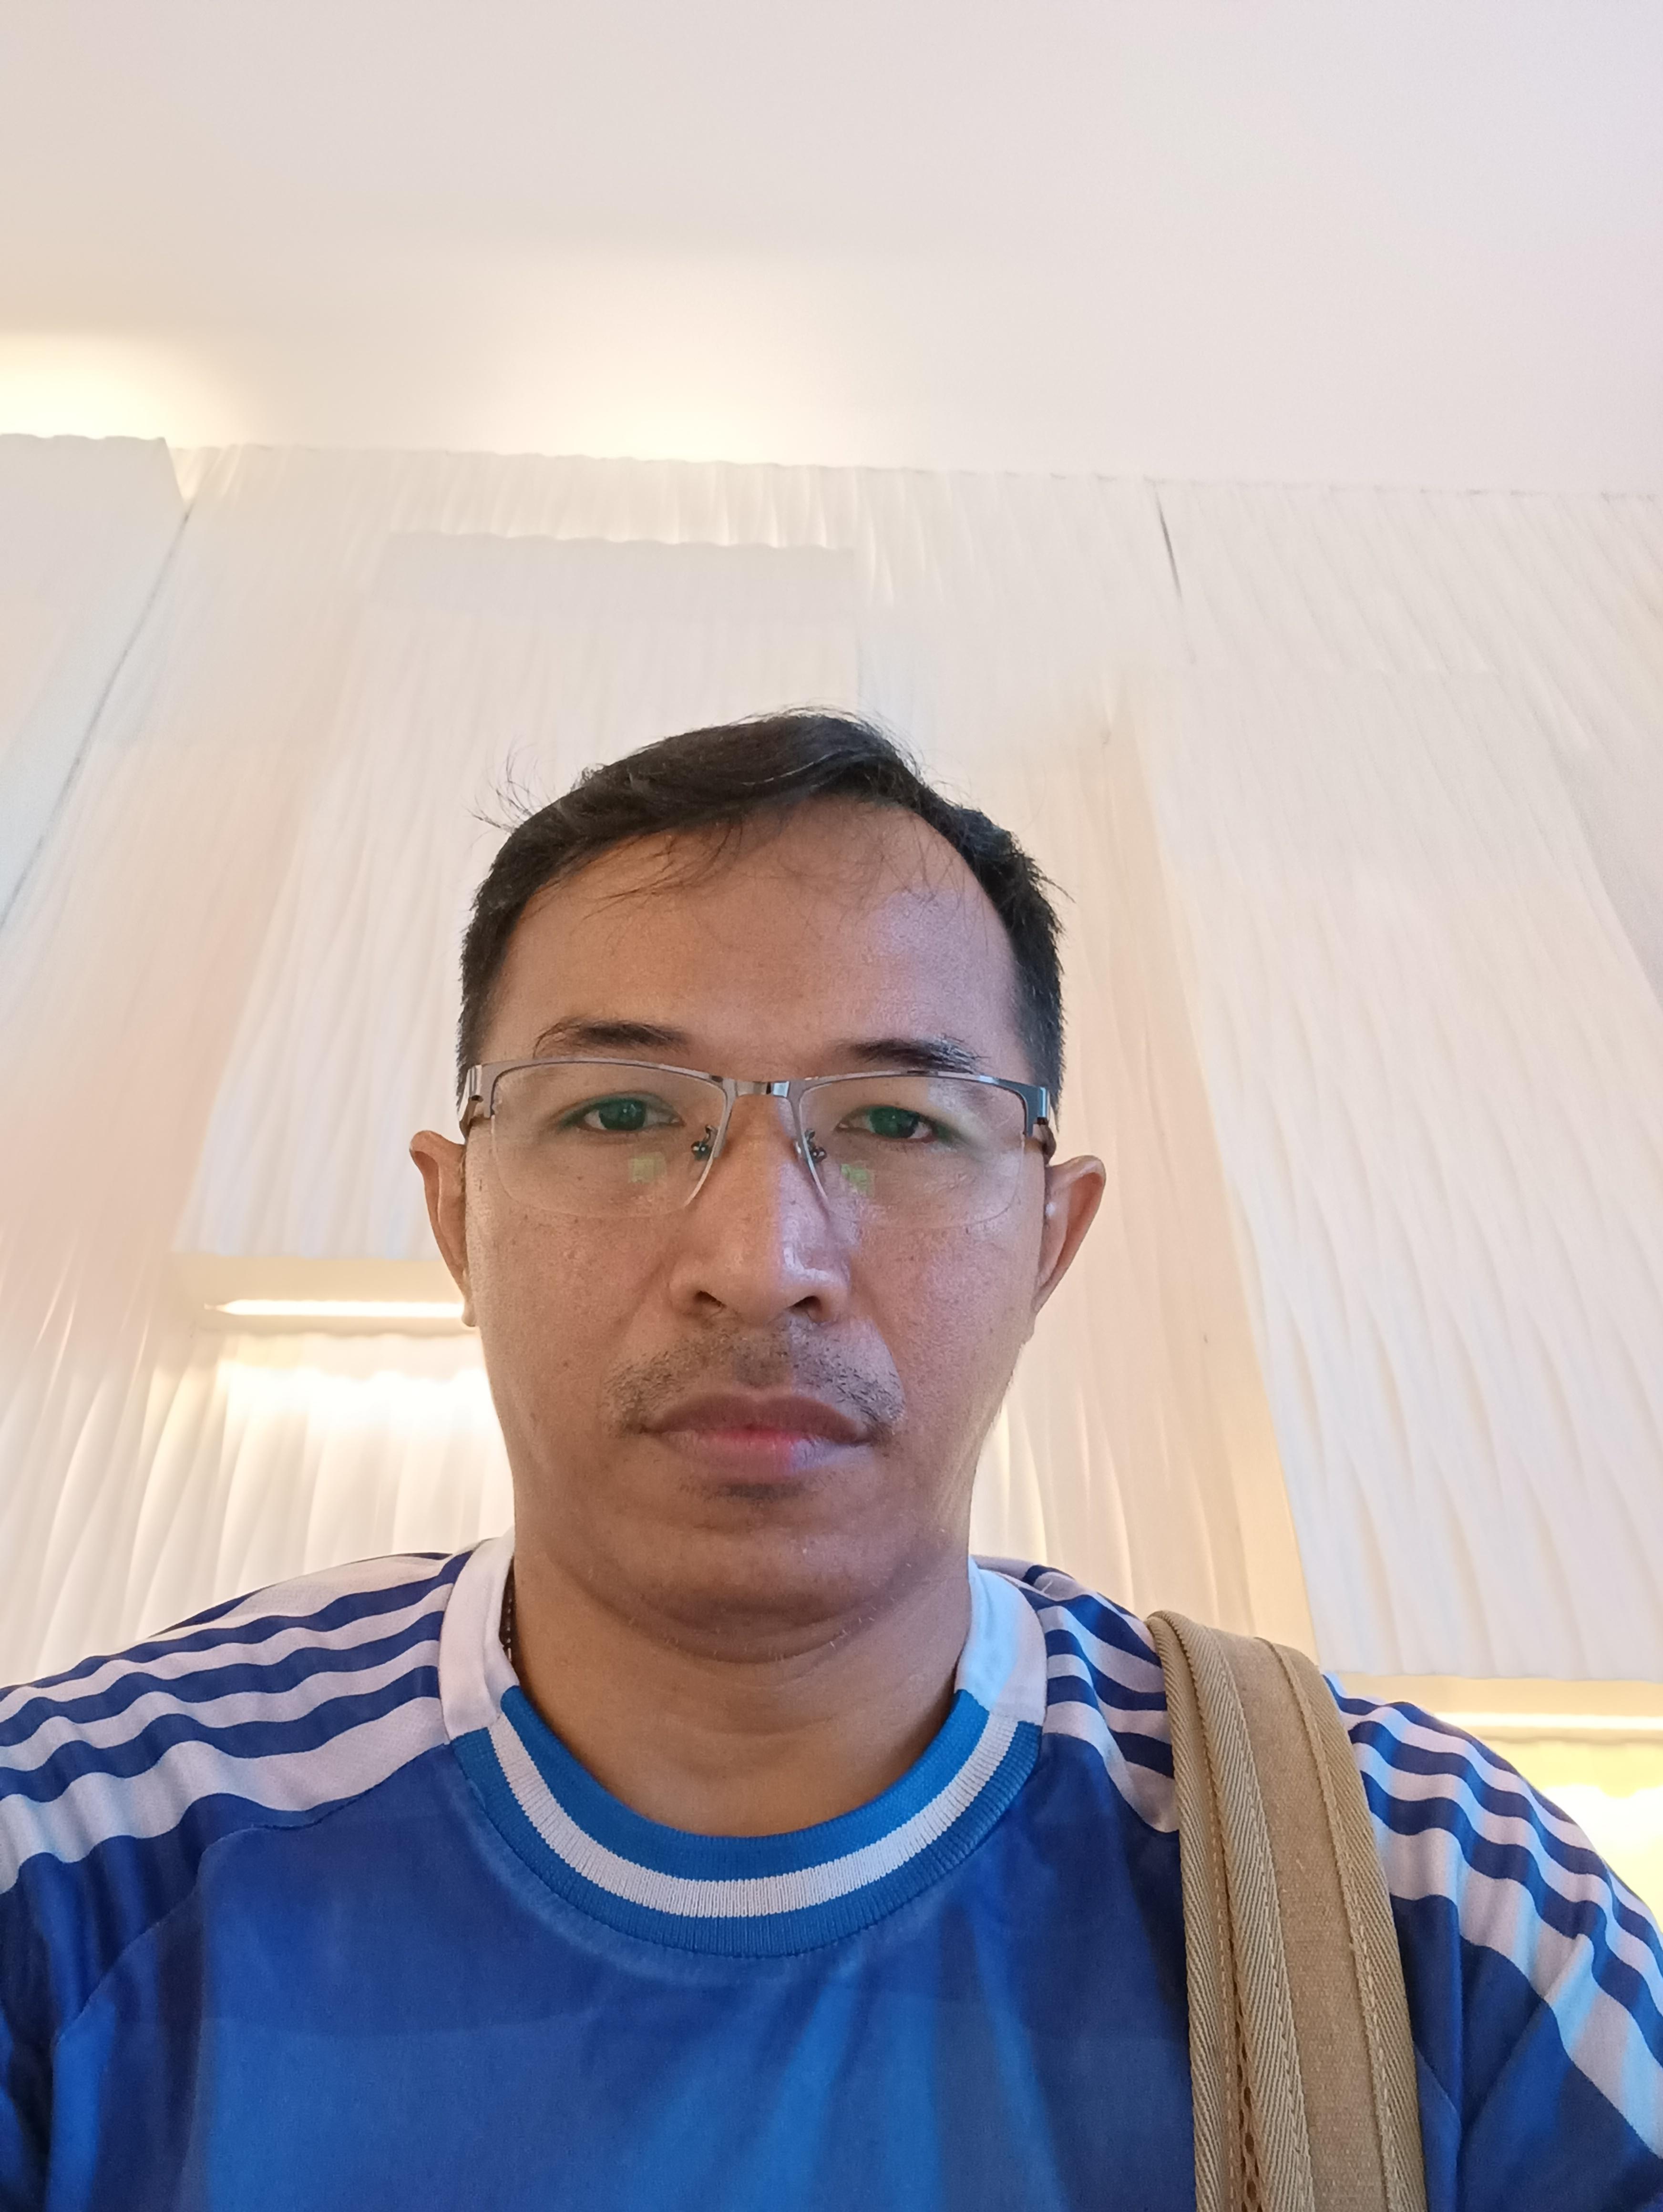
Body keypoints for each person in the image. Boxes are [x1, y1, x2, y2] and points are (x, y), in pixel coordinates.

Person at [1, 711, 1659, 2212]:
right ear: (458, 1217)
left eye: (896, 1123)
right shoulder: (72, 1868)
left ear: (1049, 1243)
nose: (760, 1259)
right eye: (622, 1113)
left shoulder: (1438, 1917)